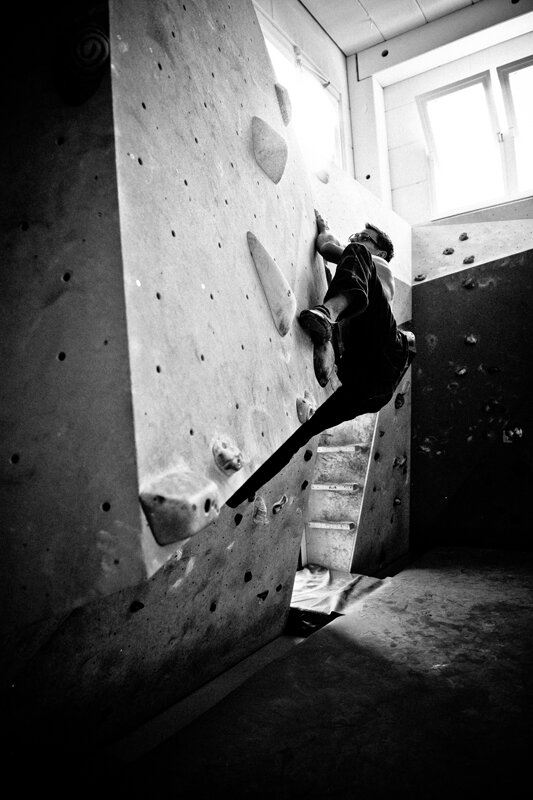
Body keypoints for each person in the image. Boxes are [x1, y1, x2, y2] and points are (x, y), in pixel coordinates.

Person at [226, 211, 415, 509]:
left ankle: (327, 315)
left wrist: (326, 229)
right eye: (356, 236)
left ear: (380, 251)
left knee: (354, 259)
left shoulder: (378, 265)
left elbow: (327, 247)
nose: (357, 240)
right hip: (363, 381)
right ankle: (235, 492)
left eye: (364, 238)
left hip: (385, 357)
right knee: (299, 431)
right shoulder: (356, 281)